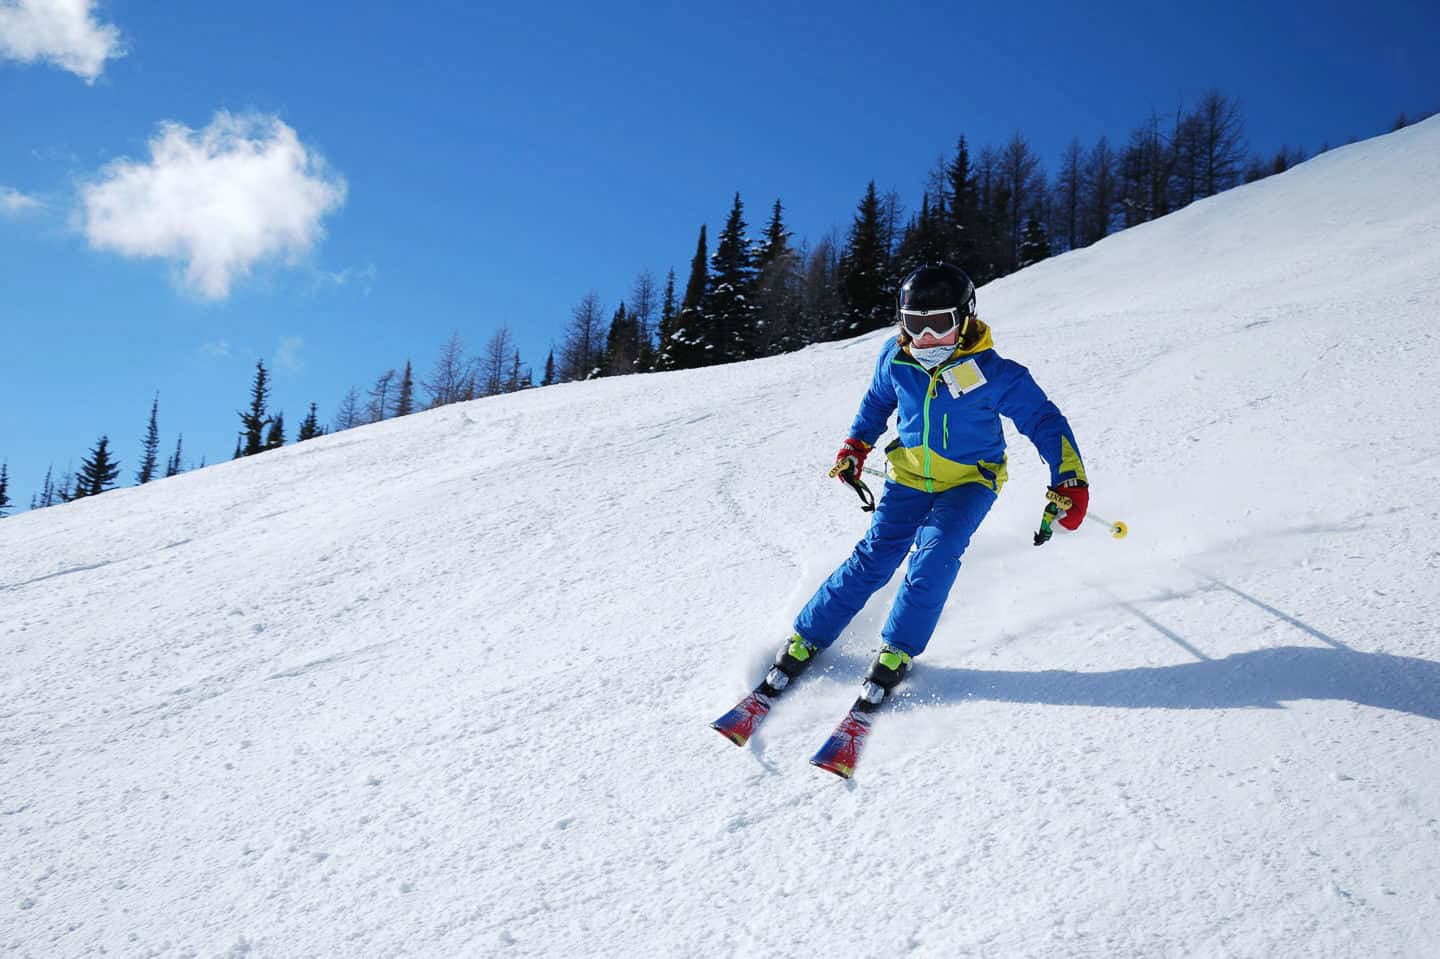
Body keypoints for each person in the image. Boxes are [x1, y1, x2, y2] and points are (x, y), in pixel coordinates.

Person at [765, 262, 1090, 710]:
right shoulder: (895, 358)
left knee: (934, 556)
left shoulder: (997, 372)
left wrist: (1069, 480)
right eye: (916, 325)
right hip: (908, 477)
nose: (927, 338)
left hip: (971, 481)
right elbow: (877, 402)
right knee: (873, 558)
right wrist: (855, 445)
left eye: (940, 324)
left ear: (965, 318)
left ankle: (897, 649)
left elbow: (1044, 420)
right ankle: (807, 637)